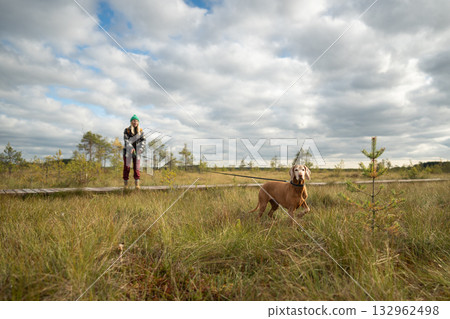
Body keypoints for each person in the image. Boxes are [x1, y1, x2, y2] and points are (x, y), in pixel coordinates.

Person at [123, 114, 145, 189]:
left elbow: (143, 141)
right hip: (128, 151)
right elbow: (126, 140)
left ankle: (137, 185)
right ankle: (126, 185)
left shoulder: (141, 131)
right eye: (133, 120)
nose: (135, 122)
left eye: (136, 121)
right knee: (127, 167)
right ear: (131, 122)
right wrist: (131, 148)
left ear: (138, 122)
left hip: (137, 152)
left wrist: (140, 149)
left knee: (137, 168)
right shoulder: (127, 130)